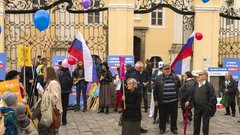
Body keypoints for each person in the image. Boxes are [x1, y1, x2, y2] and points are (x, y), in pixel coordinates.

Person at [185, 71, 217, 135]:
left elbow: (213, 97)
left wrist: (209, 106)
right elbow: (192, 94)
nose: (198, 76)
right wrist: (188, 101)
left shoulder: (209, 86)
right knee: (196, 123)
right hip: (197, 106)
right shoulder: (196, 84)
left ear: (205, 76)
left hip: (206, 107)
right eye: (198, 75)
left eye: (200, 75)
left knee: (205, 123)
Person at [153, 64, 181, 134]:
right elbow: (155, 90)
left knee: (174, 116)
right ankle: (162, 128)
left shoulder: (175, 77)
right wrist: (156, 100)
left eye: (168, 68)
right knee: (162, 116)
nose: (168, 70)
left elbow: (180, 87)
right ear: (162, 71)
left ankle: (174, 128)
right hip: (163, 101)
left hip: (173, 101)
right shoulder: (158, 78)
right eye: (166, 69)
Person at [38, 67, 62, 134]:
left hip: (53, 111)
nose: (43, 74)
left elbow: (55, 98)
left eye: (44, 72)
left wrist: (43, 95)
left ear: (49, 73)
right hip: (49, 110)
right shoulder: (49, 82)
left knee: (52, 131)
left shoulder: (53, 83)